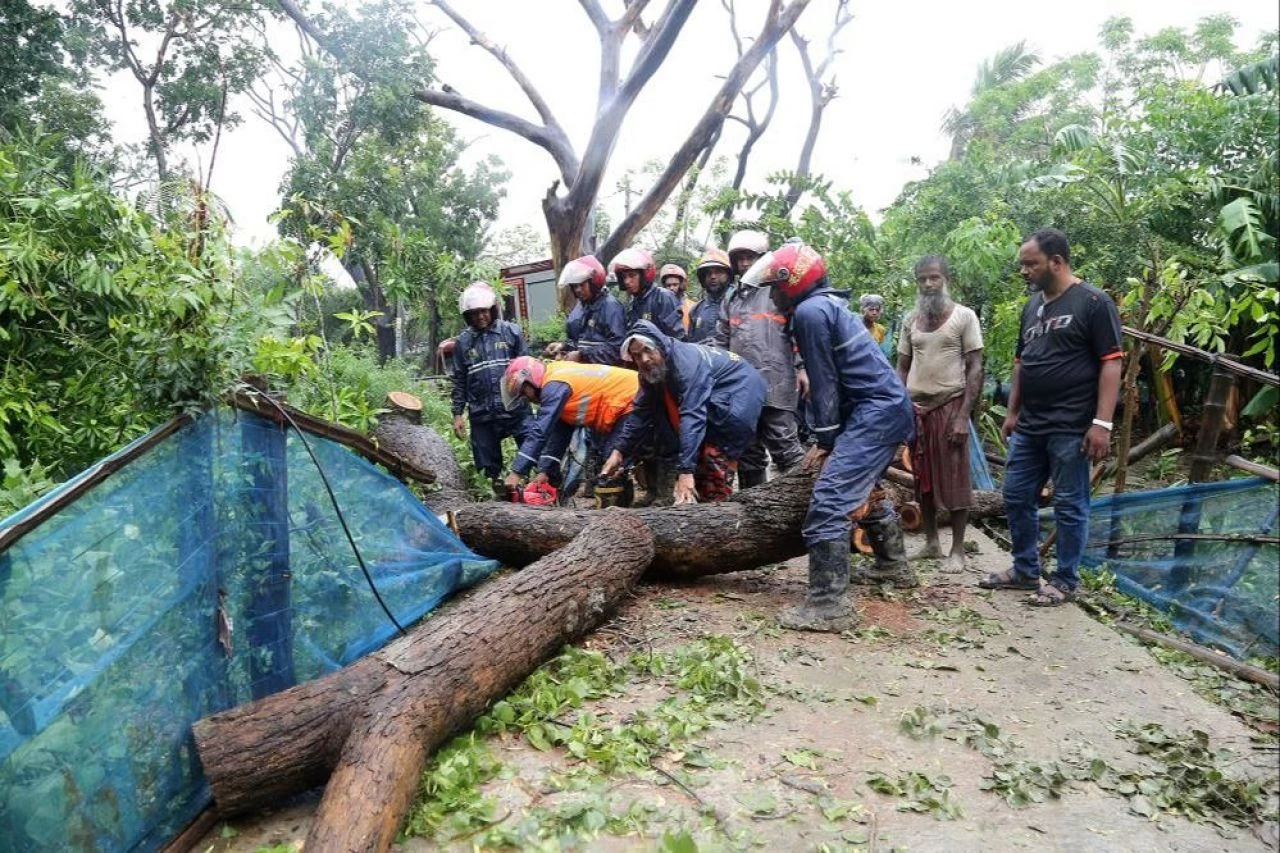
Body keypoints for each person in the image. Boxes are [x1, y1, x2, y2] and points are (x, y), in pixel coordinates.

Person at [743, 242, 915, 631]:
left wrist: (825, 441)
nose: (772, 294)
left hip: (875, 414)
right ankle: (894, 568)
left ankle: (829, 605)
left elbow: (824, 382)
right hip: (882, 410)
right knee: (866, 491)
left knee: (830, 500)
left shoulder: (811, 310)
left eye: (776, 286)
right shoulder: (827, 305)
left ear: (794, 281)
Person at [979, 228, 1122, 606]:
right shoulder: (1033, 306)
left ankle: (1065, 580)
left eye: (1031, 264)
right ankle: (1026, 570)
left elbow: (1111, 363)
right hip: (1031, 423)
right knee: (1015, 495)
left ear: (1056, 261)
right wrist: (1012, 412)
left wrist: (1101, 423)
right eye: (1022, 264)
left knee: (1071, 504)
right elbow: (1022, 363)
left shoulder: (1093, 302)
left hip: (1072, 425)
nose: (1024, 271)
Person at [600, 320, 766, 504]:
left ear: (660, 346)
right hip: (715, 397)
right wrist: (619, 451)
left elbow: (692, 415)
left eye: (648, 350)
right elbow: (640, 413)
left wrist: (686, 471)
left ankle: (720, 512)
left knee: (714, 458)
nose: (644, 359)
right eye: (637, 355)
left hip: (739, 391)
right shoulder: (650, 372)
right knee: (696, 456)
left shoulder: (686, 364)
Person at [896, 256, 984, 572]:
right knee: (924, 481)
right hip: (917, 409)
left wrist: (963, 416)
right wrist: (899, 405)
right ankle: (932, 542)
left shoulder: (964, 317)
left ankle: (957, 550)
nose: (928, 284)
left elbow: (975, 367)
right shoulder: (911, 320)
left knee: (956, 480)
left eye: (934, 278)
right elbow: (903, 366)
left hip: (950, 406)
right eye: (922, 279)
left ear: (945, 279)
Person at [715, 229, 806, 487]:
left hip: (776, 380)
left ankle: (802, 504)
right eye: (740, 258)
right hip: (741, 387)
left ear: (763, 258)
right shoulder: (731, 297)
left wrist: (802, 368)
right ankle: (753, 511)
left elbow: (798, 332)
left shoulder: (778, 291)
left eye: (750, 257)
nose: (745, 263)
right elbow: (721, 341)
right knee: (748, 451)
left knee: (785, 446)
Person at [500, 356, 638, 498]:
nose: (526, 398)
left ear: (530, 378)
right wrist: (544, 472)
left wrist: (516, 473)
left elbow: (540, 432)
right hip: (623, 404)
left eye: (523, 392)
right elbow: (558, 435)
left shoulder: (554, 385)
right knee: (609, 462)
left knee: (612, 465)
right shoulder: (556, 379)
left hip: (630, 399)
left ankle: (618, 513)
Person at [450, 282, 532, 497]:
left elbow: (528, 369)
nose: (480, 317)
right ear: (468, 315)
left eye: (484, 311)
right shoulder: (463, 343)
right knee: (488, 470)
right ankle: (500, 504)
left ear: (492, 310)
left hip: (516, 410)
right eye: (475, 313)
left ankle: (539, 493)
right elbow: (459, 380)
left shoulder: (511, 332)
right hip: (482, 415)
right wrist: (457, 414)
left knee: (534, 451)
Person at [545, 255, 626, 365]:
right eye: (574, 286)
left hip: (606, 374)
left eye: (582, 284)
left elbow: (617, 347)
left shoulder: (610, 306)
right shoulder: (581, 307)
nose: (578, 290)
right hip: (586, 372)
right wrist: (563, 346)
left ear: (594, 282)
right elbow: (579, 342)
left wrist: (582, 356)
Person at [612, 248, 686, 341]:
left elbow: (677, 338)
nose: (627, 281)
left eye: (632, 275)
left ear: (644, 275)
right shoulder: (634, 303)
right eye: (624, 277)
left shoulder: (663, 297)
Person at [688, 249, 732, 344]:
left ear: (729, 275)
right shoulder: (696, 310)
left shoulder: (737, 303)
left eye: (718, 272)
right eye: (708, 273)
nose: (713, 277)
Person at [660, 263, 695, 335]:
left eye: (675, 284)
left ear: (682, 285)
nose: (671, 288)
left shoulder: (693, 306)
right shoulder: (659, 306)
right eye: (668, 285)